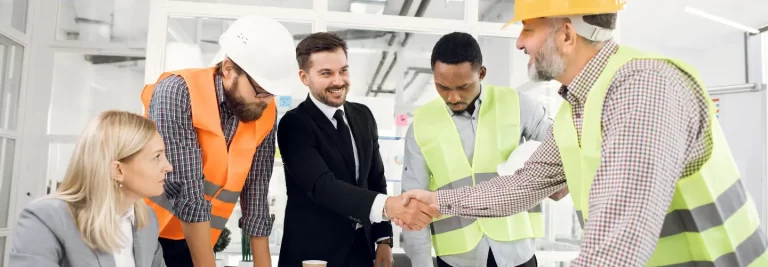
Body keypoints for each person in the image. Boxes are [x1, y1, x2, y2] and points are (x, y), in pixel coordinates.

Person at [397, 0, 768, 266]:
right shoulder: (577, 108)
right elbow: (523, 186)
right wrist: (437, 203)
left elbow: (617, 246)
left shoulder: (642, 88)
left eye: (528, 28)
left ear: (567, 35)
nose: (520, 43)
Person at [141, 15, 299, 267]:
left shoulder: (263, 107)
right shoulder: (178, 91)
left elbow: (256, 188)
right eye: (260, 90)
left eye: (272, 94)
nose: (266, 101)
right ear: (228, 69)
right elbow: (186, 188)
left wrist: (263, 263)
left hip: (197, 235)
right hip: (143, 229)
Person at [276, 32, 438, 267]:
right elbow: (323, 187)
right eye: (326, 73)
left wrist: (383, 240)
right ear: (304, 77)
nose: (338, 80)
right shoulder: (294, 124)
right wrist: (388, 206)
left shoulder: (362, 116)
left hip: (361, 252)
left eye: (343, 70)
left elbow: (375, 178)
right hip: (313, 254)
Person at [402, 32, 555, 267]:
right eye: (442, 87)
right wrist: (421, 262)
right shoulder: (420, 125)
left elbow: (561, 152)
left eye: (463, 87)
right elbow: (413, 206)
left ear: (481, 74)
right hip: (457, 259)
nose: (453, 97)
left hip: (517, 253)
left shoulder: (518, 105)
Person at [9, 110, 171, 267]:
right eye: (156, 157)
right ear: (117, 170)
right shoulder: (46, 218)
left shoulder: (147, 220)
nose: (168, 167)